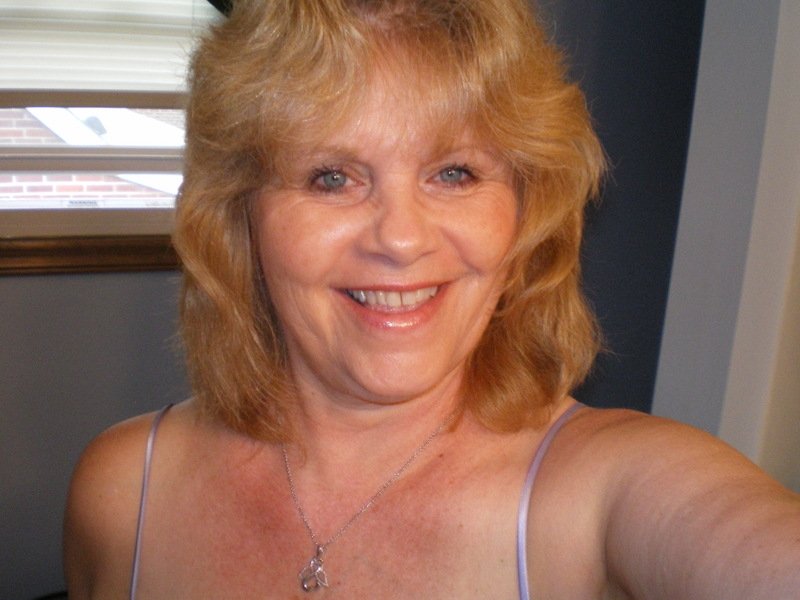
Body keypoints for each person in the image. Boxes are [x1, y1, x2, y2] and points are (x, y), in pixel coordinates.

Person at [63, 0, 800, 598]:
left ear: (524, 213)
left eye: (454, 173)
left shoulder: (604, 494)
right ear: (241, 218)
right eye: (331, 177)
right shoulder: (123, 493)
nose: (401, 239)